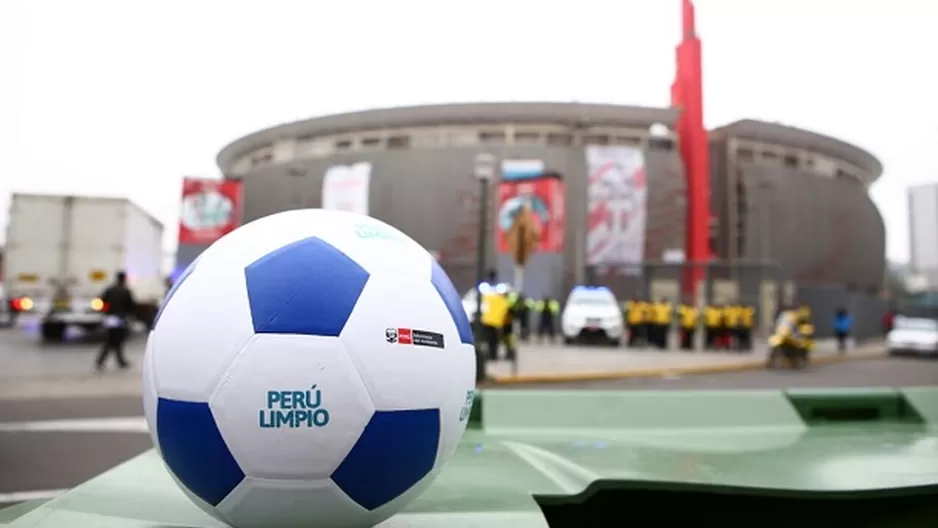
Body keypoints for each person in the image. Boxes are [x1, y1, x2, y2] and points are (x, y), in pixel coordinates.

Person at [95, 271, 136, 371]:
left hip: (110, 318)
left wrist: (106, 311)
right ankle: (102, 361)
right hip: (121, 318)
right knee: (115, 340)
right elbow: (131, 306)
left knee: (113, 340)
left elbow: (101, 302)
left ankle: (119, 362)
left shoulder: (109, 290)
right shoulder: (126, 291)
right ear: (124, 279)